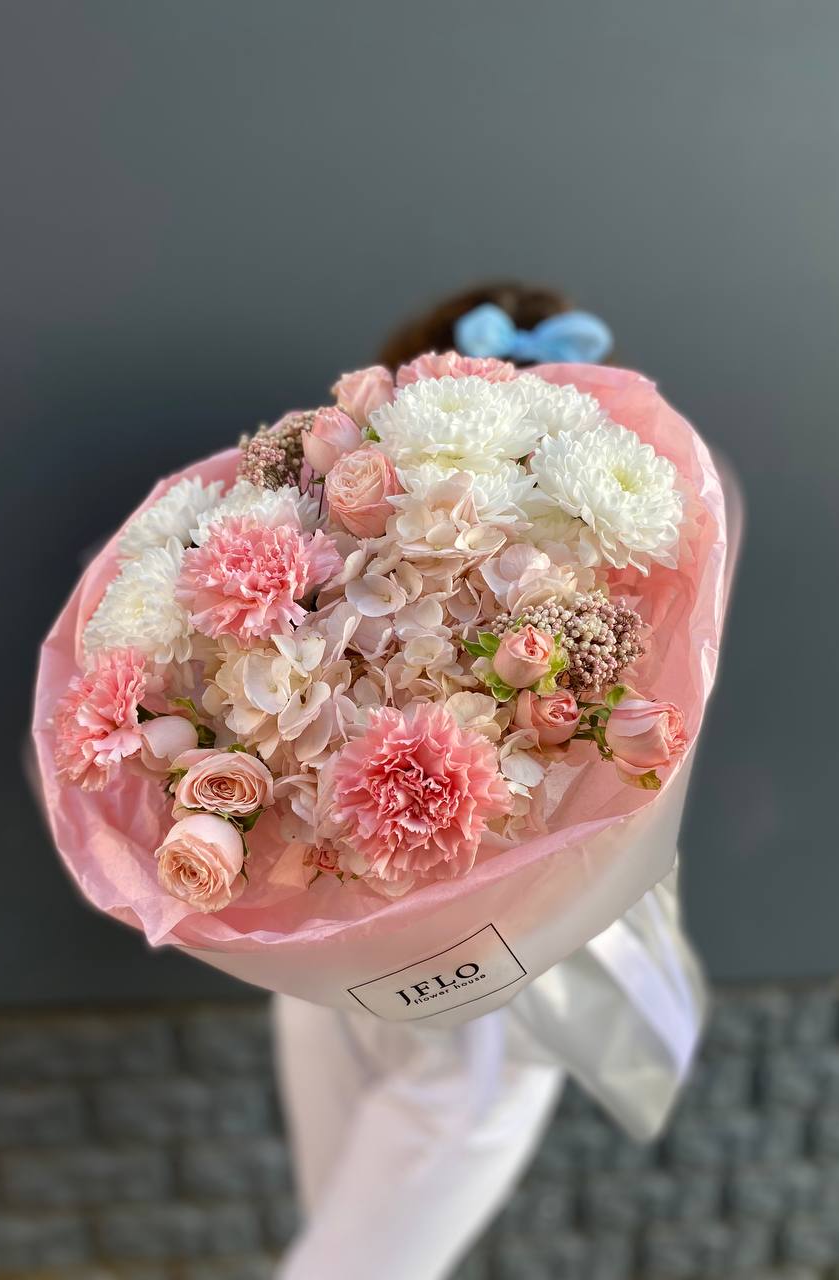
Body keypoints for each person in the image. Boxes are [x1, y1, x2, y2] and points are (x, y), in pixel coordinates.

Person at [273, 283, 733, 1280]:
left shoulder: (331, 541)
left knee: (344, 1242)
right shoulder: (609, 573)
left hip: (347, 944)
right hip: (496, 976)